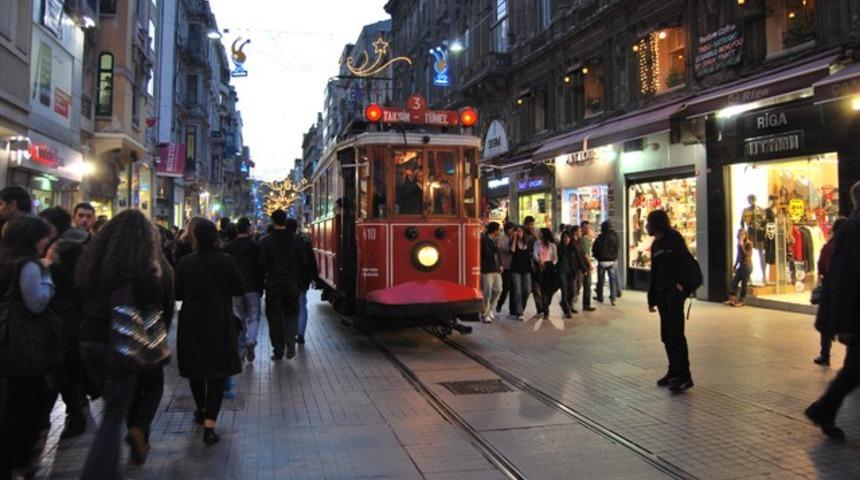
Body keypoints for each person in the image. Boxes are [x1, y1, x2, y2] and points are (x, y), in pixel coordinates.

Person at [76, 210, 174, 477]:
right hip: (121, 342)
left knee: (114, 408)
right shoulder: (143, 268)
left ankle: (111, 469)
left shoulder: (93, 262)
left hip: (89, 342)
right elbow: (152, 306)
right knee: (112, 417)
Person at [175, 219, 243, 446]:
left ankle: (201, 408)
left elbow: (177, 294)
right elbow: (238, 289)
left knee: (196, 370)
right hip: (218, 321)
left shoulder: (186, 262)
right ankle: (210, 426)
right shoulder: (226, 261)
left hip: (192, 321)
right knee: (217, 373)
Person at [0, 216, 58, 480]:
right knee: (25, 402)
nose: (48, 241)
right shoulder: (30, 265)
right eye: (44, 237)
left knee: (12, 401)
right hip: (24, 342)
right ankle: (20, 457)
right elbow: (37, 302)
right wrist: (47, 271)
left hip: (8, 339)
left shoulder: (6, 261)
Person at [805, 182, 860, 441]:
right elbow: (843, 279)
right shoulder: (852, 229)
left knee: (853, 369)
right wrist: (844, 324)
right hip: (856, 314)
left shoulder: (851, 228)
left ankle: (823, 409)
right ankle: (823, 409)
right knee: (853, 370)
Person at [37, 207, 89, 440]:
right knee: (63, 371)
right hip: (67, 317)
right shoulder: (70, 247)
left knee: (58, 372)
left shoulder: (57, 251)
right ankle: (73, 413)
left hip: (62, 316)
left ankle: (44, 423)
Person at [646, 209, 694, 393]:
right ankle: (673, 370)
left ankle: (684, 375)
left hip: (673, 295)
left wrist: (681, 286)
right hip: (661, 295)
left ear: (656, 224)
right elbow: (655, 272)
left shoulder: (674, 239)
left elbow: (685, 263)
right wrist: (651, 297)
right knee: (666, 335)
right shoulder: (657, 244)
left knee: (676, 335)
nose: (646, 226)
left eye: (649, 223)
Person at [259, 210, 310, 360]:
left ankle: (278, 350)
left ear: (272, 221)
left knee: (274, 317)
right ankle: (290, 343)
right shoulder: (297, 240)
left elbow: (261, 263)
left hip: (274, 283)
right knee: (291, 314)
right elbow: (304, 262)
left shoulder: (266, 240)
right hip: (292, 283)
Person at [223, 217, 264, 362]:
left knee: (238, 318)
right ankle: (251, 341)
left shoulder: (228, 247)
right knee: (254, 316)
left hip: (235, 289)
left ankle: (240, 350)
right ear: (248, 229)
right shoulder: (256, 246)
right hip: (252, 287)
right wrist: (261, 286)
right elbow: (261, 267)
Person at [812, 217, 846, 366]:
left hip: (830, 288)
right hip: (845, 290)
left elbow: (821, 267)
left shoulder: (829, 246)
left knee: (826, 324)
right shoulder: (849, 246)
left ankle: (825, 354)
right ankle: (848, 361)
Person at [286, 218, 318, 344]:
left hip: (286, 280)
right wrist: (314, 277)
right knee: (302, 306)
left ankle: (289, 334)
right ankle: (300, 334)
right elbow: (311, 261)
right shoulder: (304, 242)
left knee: (288, 307)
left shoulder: (281, 242)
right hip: (301, 281)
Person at [592, 220, 621, 305]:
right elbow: (617, 247)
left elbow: (595, 249)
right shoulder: (615, 236)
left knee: (601, 280)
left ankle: (600, 297)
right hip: (612, 260)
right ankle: (613, 298)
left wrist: (597, 257)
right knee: (612, 280)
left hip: (602, 261)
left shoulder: (600, 238)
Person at [533, 228, 558, 320]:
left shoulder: (552, 245)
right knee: (543, 289)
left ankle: (546, 303)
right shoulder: (537, 244)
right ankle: (546, 311)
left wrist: (551, 264)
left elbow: (555, 257)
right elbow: (535, 254)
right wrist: (539, 262)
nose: (539, 234)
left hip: (550, 267)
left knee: (550, 289)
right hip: (540, 267)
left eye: (540, 232)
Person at [724, 229, 753, 307]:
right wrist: (735, 265)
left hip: (747, 266)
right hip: (741, 266)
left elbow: (747, 254)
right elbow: (738, 256)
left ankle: (741, 301)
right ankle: (732, 299)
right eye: (740, 235)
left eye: (743, 235)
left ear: (745, 235)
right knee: (734, 282)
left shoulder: (749, 244)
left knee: (744, 284)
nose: (741, 236)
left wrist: (742, 246)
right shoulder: (738, 244)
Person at [480, 222, 503, 323]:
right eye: (499, 229)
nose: (500, 231)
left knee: (498, 289)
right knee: (487, 292)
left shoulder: (496, 240)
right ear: (495, 230)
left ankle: (490, 309)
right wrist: (496, 247)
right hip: (487, 269)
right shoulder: (485, 240)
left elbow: (499, 254)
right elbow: (487, 254)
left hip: (496, 268)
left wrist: (501, 264)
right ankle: (485, 314)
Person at [509, 226, 533, 322]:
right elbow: (512, 251)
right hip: (516, 269)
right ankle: (520, 312)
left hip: (527, 269)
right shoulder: (513, 242)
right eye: (517, 231)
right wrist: (514, 238)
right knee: (517, 291)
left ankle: (521, 307)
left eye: (520, 231)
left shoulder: (528, 242)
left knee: (527, 289)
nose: (518, 233)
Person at [557, 230, 580, 318]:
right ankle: (567, 310)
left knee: (572, 291)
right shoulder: (559, 248)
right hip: (562, 272)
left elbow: (578, 260)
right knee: (564, 290)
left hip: (571, 272)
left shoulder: (573, 248)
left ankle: (568, 305)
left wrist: (584, 269)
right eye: (564, 237)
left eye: (567, 237)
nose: (566, 239)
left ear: (570, 238)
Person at [495, 222, 515, 316]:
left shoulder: (515, 238)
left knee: (514, 288)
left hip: (514, 266)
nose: (513, 231)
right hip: (505, 266)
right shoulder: (501, 239)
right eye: (512, 229)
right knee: (506, 287)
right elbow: (506, 250)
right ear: (507, 229)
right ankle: (500, 303)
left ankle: (512, 309)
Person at [577, 222, 596, 312]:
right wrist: (590, 264)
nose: (588, 229)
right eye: (586, 228)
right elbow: (584, 254)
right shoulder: (582, 240)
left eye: (588, 227)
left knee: (586, 285)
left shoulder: (585, 239)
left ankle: (586, 304)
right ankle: (585, 304)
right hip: (584, 266)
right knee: (584, 285)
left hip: (584, 265)